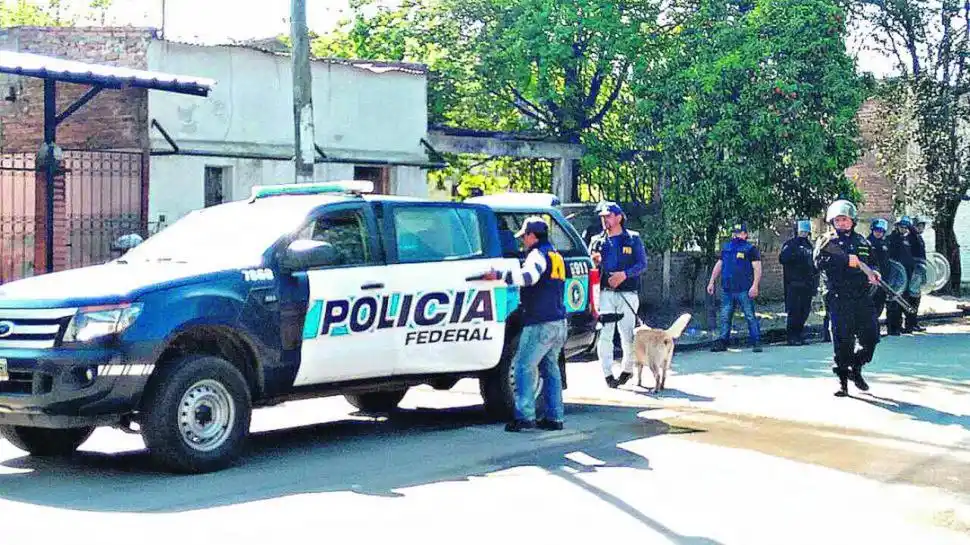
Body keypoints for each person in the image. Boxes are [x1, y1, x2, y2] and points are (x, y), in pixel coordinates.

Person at [482, 216, 568, 432]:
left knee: (522, 366)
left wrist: (500, 275)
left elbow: (529, 277)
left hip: (540, 322)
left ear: (532, 235)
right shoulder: (555, 255)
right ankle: (555, 417)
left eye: (525, 236)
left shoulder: (537, 255)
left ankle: (525, 417)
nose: (523, 241)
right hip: (558, 321)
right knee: (551, 370)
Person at [814, 200, 881, 397]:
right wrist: (846, 260)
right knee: (843, 340)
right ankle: (842, 382)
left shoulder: (862, 241)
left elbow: (873, 261)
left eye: (845, 219)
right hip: (838, 297)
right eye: (838, 220)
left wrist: (875, 272)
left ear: (852, 221)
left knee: (871, 337)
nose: (842, 223)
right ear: (832, 221)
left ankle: (856, 367)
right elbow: (818, 262)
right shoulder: (827, 241)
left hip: (861, 296)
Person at [588, 202, 648, 388]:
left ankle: (627, 369)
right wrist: (594, 262)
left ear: (619, 217)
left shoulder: (632, 239)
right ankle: (607, 374)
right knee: (605, 334)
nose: (605, 220)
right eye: (603, 217)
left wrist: (624, 275)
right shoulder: (597, 240)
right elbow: (590, 267)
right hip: (606, 293)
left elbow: (642, 264)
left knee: (627, 334)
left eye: (608, 216)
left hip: (627, 292)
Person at [707, 222, 763, 352]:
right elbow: (719, 265)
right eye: (735, 232)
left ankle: (756, 341)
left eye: (740, 232)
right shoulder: (727, 247)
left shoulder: (750, 249)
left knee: (749, 315)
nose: (737, 235)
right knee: (725, 316)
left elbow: (757, 268)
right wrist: (711, 281)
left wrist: (755, 286)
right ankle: (723, 342)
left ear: (745, 234)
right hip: (728, 289)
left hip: (744, 289)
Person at [778, 219, 818, 345]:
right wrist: (796, 252)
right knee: (794, 312)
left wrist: (814, 284)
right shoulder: (790, 244)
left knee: (804, 311)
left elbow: (814, 265)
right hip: (793, 284)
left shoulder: (809, 246)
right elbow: (783, 259)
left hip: (807, 284)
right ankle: (792, 336)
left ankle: (799, 335)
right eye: (802, 231)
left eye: (806, 231)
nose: (804, 233)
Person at [886, 216, 915, 335]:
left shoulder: (907, 240)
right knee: (894, 302)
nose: (904, 229)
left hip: (907, 276)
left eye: (905, 227)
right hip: (896, 277)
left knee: (904, 301)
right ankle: (892, 328)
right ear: (897, 227)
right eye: (901, 227)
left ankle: (900, 325)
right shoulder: (891, 239)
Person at [906, 216, 929, 332]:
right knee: (913, 298)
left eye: (923, 226)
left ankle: (913, 322)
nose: (922, 228)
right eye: (919, 225)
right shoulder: (911, 237)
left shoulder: (918, 237)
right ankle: (910, 323)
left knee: (916, 297)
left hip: (920, 270)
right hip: (914, 271)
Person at [867, 218, 891, 325]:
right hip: (871, 279)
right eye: (876, 230)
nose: (878, 233)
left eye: (881, 231)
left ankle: (875, 324)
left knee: (880, 302)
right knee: (870, 303)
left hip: (884, 279)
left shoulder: (885, 243)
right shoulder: (867, 243)